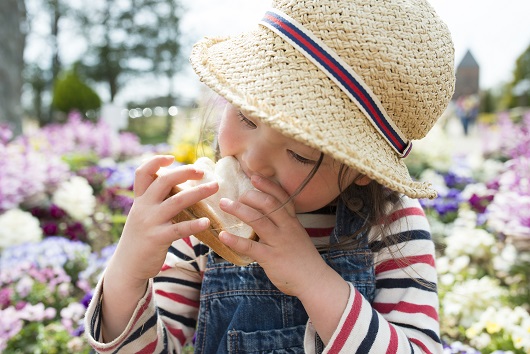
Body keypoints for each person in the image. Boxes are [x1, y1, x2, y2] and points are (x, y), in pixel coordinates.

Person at [84, 0, 455, 353]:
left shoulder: (390, 225)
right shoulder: (201, 219)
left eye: (300, 152)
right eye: (246, 118)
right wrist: (128, 270)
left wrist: (312, 278)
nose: (254, 160)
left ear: (362, 171)